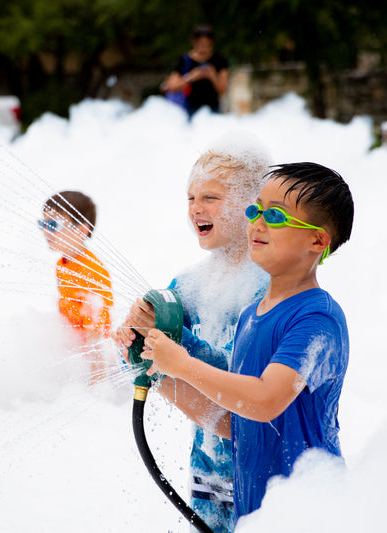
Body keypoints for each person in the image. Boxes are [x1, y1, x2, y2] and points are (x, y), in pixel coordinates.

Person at [138, 162, 354, 526]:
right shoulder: (252, 315)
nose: (257, 221)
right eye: (255, 209)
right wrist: (158, 370)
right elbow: (234, 420)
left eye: (275, 215)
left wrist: (182, 365)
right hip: (257, 514)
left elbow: (264, 400)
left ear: (317, 240)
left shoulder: (317, 317)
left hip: (308, 512)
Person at [115, 135, 271, 533]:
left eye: (211, 198)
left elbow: (240, 404)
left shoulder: (265, 290)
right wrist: (134, 341)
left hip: (260, 473)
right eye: (190, 198)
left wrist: (171, 350)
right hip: (208, 470)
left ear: (252, 204)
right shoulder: (187, 285)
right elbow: (155, 363)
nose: (196, 209)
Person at [40, 190, 113, 384]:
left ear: (81, 230)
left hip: (90, 352)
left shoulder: (91, 270)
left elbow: (96, 331)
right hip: (72, 345)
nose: (46, 231)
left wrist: (95, 382)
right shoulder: (62, 264)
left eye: (53, 225)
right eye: (43, 224)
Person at [160, 25, 229, 117]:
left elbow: (222, 90)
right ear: (194, 42)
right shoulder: (185, 60)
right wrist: (191, 77)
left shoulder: (219, 60)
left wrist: (212, 76)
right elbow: (172, 86)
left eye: (207, 43)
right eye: (200, 43)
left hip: (213, 109)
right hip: (189, 109)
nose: (204, 47)